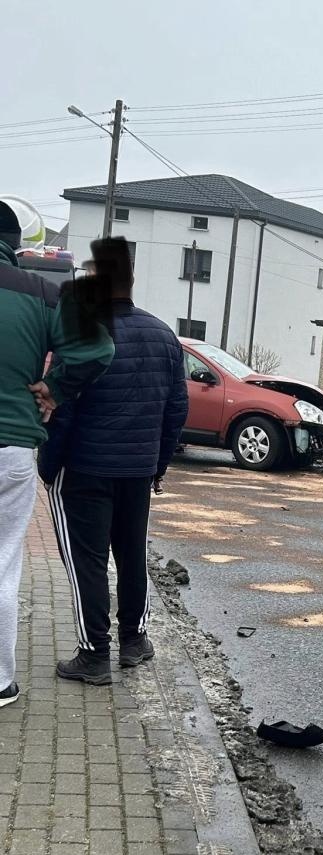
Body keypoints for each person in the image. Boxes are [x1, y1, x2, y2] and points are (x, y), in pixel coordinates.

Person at [37, 237, 188, 685]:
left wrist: (48, 466)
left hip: (85, 468)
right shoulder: (163, 334)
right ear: (132, 280)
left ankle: (94, 654)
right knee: (131, 553)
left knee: (87, 561)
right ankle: (135, 641)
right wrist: (157, 464)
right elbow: (176, 408)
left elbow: (63, 406)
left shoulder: (82, 334)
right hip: (137, 470)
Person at [0, 196, 113, 709]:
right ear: (16, 243)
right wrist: (55, 387)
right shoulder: (42, 292)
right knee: (3, 563)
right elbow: (98, 348)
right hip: (11, 447)